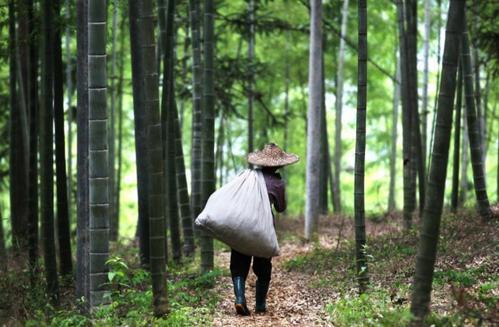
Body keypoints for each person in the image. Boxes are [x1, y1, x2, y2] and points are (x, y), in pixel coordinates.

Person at [231, 143, 299, 315]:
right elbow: (281, 208)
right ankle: (260, 304)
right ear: (280, 165)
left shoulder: (247, 176)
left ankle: (240, 299)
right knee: (263, 267)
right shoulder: (277, 182)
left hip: (241, 224)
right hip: (262, 227)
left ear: (260, 163)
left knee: (239, 264)